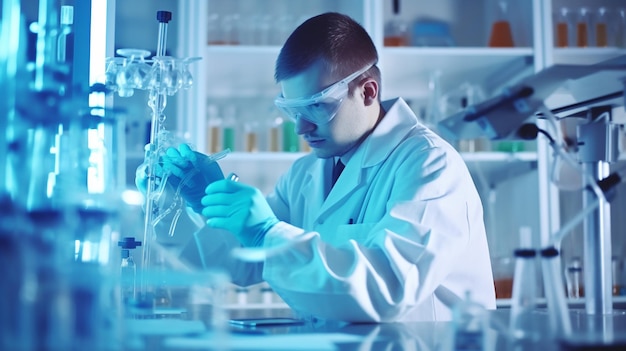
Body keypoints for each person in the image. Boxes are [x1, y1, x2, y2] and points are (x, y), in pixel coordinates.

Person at [137, 12, 495, 323]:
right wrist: (206, 205)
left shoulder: (429, 165)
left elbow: (388, 289)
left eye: (317, 107)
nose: (301, 128)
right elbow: (245, 262)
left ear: (368, 92)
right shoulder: (306, 174)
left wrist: (268, 234)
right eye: (292, 110)